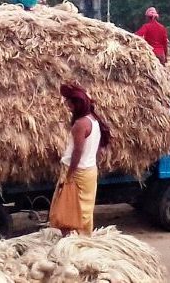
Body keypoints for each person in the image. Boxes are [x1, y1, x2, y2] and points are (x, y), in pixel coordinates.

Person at [54, 84, 110, 236]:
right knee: (84, 211)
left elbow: (77, 152)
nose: (68, 107)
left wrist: (70, 174)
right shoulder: (94, 121)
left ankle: (72, 243)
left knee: (68, 210)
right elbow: (97, 148)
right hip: (89, 171)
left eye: (69, 103)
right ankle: (84, 239)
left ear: (76, 104)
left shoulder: (80, 124)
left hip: (78, 172)